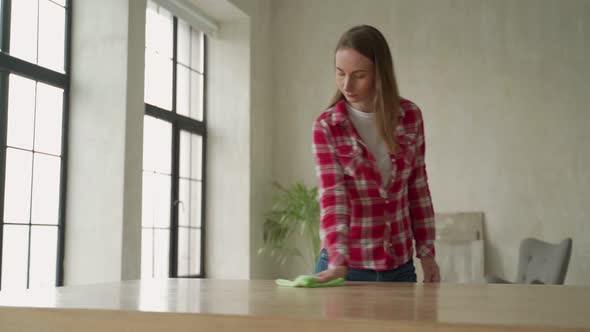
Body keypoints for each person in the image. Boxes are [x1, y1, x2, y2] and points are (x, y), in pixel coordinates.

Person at [312, 25, 440, 283]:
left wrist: (427, 254)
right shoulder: (327, 126)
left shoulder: (410, 116)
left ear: (380, 74)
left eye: (359, 75)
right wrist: (337, 261)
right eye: (340, 73)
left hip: (399, 268)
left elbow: (417, 188)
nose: (347, 84)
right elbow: (333, 198)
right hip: (346, 268)